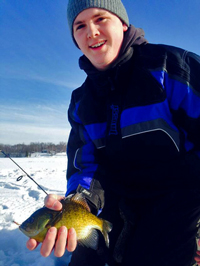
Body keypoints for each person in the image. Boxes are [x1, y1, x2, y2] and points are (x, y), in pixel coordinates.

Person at [27, 0, 200, 265]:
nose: (91, 32)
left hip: (180, 199)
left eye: (100, 19)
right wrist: (81, 201)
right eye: (80, 26)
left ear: (122, 22)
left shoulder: (172, 68)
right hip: (115, 200)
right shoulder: (81, 102)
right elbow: (86, 164)